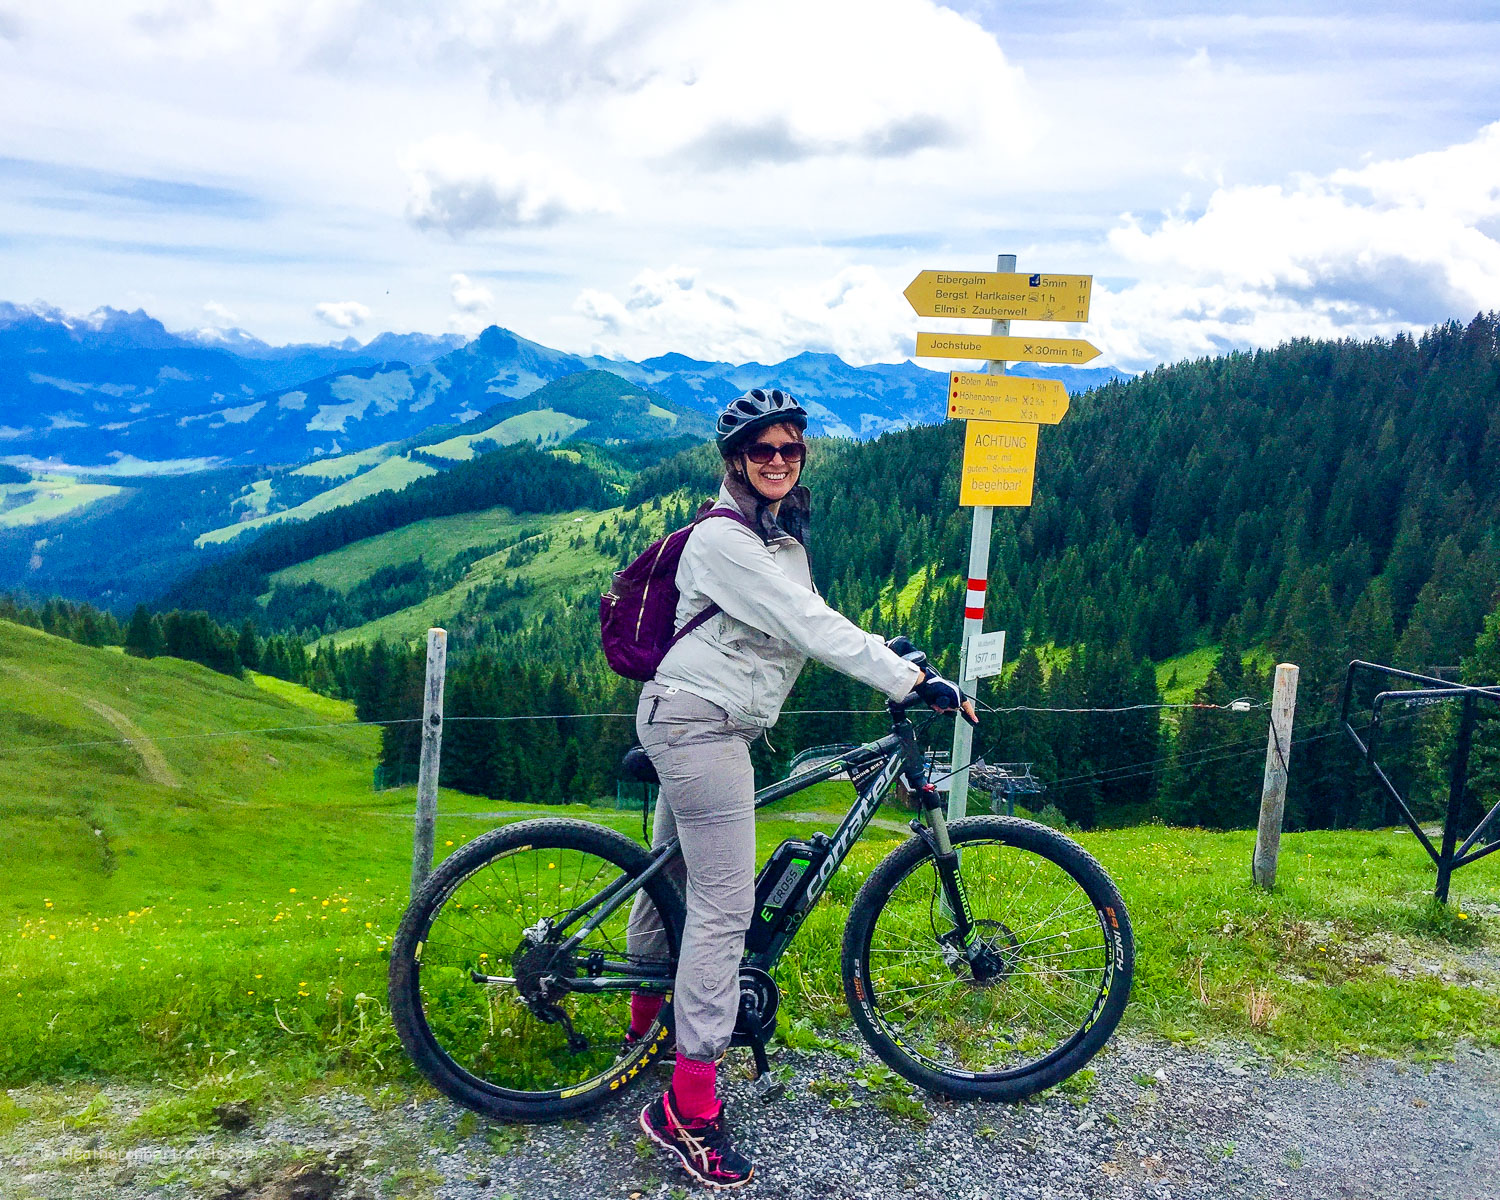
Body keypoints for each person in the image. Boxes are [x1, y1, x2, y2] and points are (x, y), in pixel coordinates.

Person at [626, 387, 966, 1188]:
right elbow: (806, 625)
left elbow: (806, 614)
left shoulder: (775, 539)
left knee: (670, 875)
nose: (779, 461)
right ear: (735, 459)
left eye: (791, 450)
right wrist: (909, 682)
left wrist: (893, 657)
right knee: (722, 906)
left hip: (702, 718)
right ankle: (686, 1108)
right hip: (699, 724)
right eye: (763, 450)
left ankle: (643, 1031)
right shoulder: (724, 540)